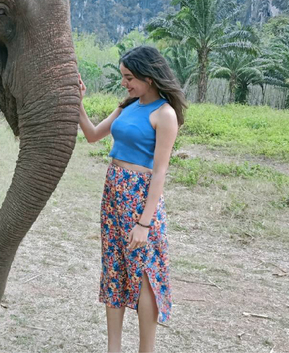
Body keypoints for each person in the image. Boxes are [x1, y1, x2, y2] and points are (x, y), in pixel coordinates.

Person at [78, 45, 187, 353]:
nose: (124, 83)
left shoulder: (165, 115)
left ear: (148, 77)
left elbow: (160, 173)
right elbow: (92, 134)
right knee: (114, 268)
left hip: (140, 198)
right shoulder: (128, 106)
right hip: (113, 193)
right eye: (123, 77)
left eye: (129, 77)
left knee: (144, 273)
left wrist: (144, 223)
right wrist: (79, 102)